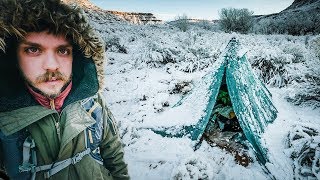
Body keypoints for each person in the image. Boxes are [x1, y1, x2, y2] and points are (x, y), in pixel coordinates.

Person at [0, 0, 129, 179]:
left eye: (62, 51)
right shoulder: (3, 117)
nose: (52, 65)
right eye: (33, 49)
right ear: (12, 57)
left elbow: (113, 153)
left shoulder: (92, 102)